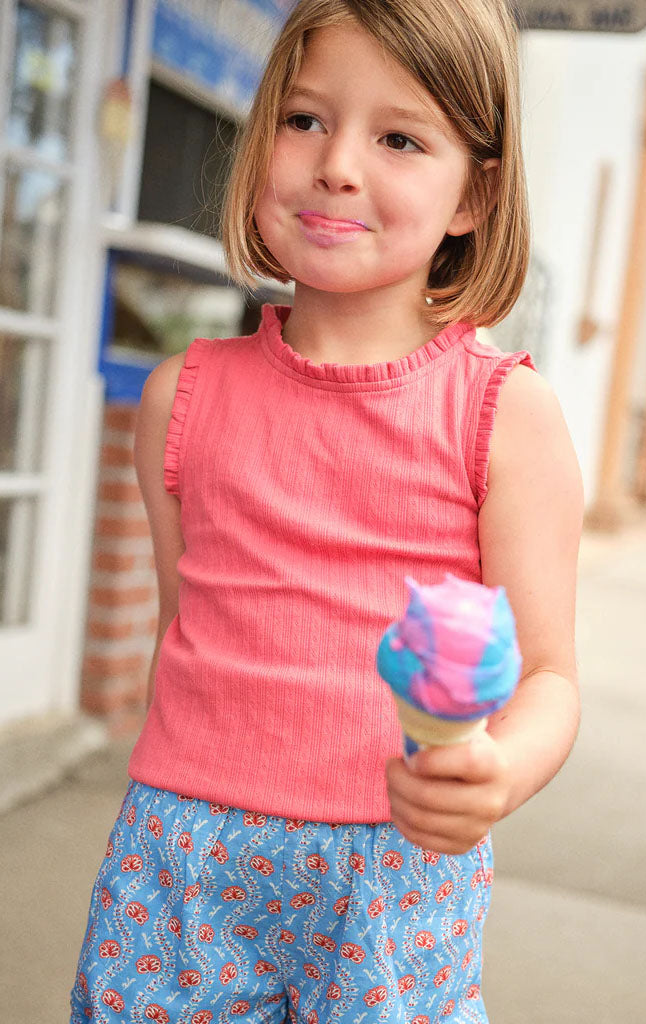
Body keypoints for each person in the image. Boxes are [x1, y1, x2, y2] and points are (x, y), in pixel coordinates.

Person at [70, 1, 583, 1021]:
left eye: (398, 137)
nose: (337, 163)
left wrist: (498, 768)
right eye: (304, 119)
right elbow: (188, 634)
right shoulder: (184, 397)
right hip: (181, 866)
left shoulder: (504, 415)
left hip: (395, 879)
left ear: (474, 194)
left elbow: (550, 676)